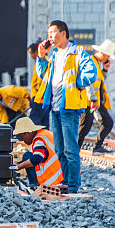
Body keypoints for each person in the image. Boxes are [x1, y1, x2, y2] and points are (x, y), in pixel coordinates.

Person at [34, 20, 97, 193]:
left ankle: (73, 186)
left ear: (63, 33)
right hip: (55, 109)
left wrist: (79, 83)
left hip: (69, 108)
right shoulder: (54, 55)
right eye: (48, 33)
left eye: (53, 32)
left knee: (70, 150)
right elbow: (42, 74)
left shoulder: (77, 52)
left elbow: (91, 71)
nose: (50, 36)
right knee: (59, 150)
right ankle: (66, 182)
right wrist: (41, 57)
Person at [79, 39, 115, 151]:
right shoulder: (91, 62)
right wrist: (93, 100)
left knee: (89, 125)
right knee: (86, 126)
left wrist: (105, 70)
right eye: (107, 56)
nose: (107, 59)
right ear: (103, 53)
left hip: (93, 103)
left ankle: (94, 147)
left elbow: (99, 81)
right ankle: (75, 151)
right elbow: (89, 83)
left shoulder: (96, 64)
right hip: (89, 103)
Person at [12, 116, 64, 189]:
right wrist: (19, 164)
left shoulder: (39, 139)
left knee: (27, 156)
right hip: (62, 174)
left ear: (28, 133)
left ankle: (35, 186)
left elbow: (37, 158)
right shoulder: (45, 134)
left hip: (53, 179)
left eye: (22, 137)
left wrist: (19, 166)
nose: (23, 140)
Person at [27, 42, 50, 126]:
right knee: (44, 121)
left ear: (37, 52)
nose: (31, 56)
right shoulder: (38, 62)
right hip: (41, 96)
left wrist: (38, 89)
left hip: (39, 96)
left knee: (34, 121)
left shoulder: (43, 62)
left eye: (31, 53)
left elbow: (42, 78)